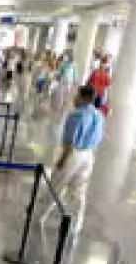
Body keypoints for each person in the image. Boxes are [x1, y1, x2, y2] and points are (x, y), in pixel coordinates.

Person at [39, 85, 104, 235]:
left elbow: (70, 142)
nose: (74, 98)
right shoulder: (98, 115)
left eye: (77, 95)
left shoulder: (76, 115)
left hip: (73, 154)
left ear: (83, 98)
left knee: (56, 185)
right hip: (88, 155)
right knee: (79, 191)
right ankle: (75, 225)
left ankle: (40, 216)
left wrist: (62, 159)